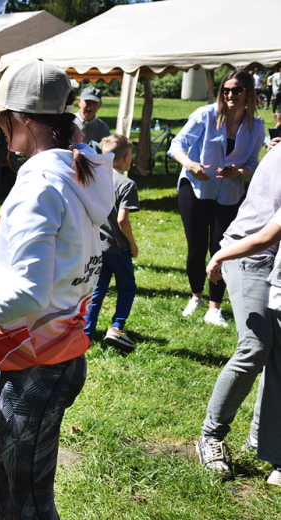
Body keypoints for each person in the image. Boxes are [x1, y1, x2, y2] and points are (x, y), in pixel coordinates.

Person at [0, 59, 113, 519]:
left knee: (32, 496)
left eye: (1, 116)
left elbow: (31, 292)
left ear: (22, 120)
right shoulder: (74, 171)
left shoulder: (42, 184)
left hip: (44, 357)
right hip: (25, 344)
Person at [191, 143, 281, 481]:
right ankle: (210, 437)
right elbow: (268, 234)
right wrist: (221, 255)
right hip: (248, 255)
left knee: (278, 353)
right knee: (255, 347)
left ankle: (265, 442)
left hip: (272, 258)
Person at [170, 69, 265, 327]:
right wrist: (190, 164)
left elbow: (253, 164)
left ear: (248, 93)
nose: (230, 94)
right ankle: (196, 296)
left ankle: (215, 308)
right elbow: (176, 146)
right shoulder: (206, 115)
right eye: (226, 90)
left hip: (230, 193)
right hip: (195, 187)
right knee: (197, 246)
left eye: (236, 90)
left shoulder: (256, 126)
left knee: (222, 250)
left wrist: (239, 172)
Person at [84, 134, 139, 352]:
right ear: (126, 158)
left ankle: (86, 335)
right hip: (118, 248)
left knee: (97, 290)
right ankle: (117, 327)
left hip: (97, 246)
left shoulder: (95, 179)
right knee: (127, 287)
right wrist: (132, 244)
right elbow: (122, 219)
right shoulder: (127, 184)